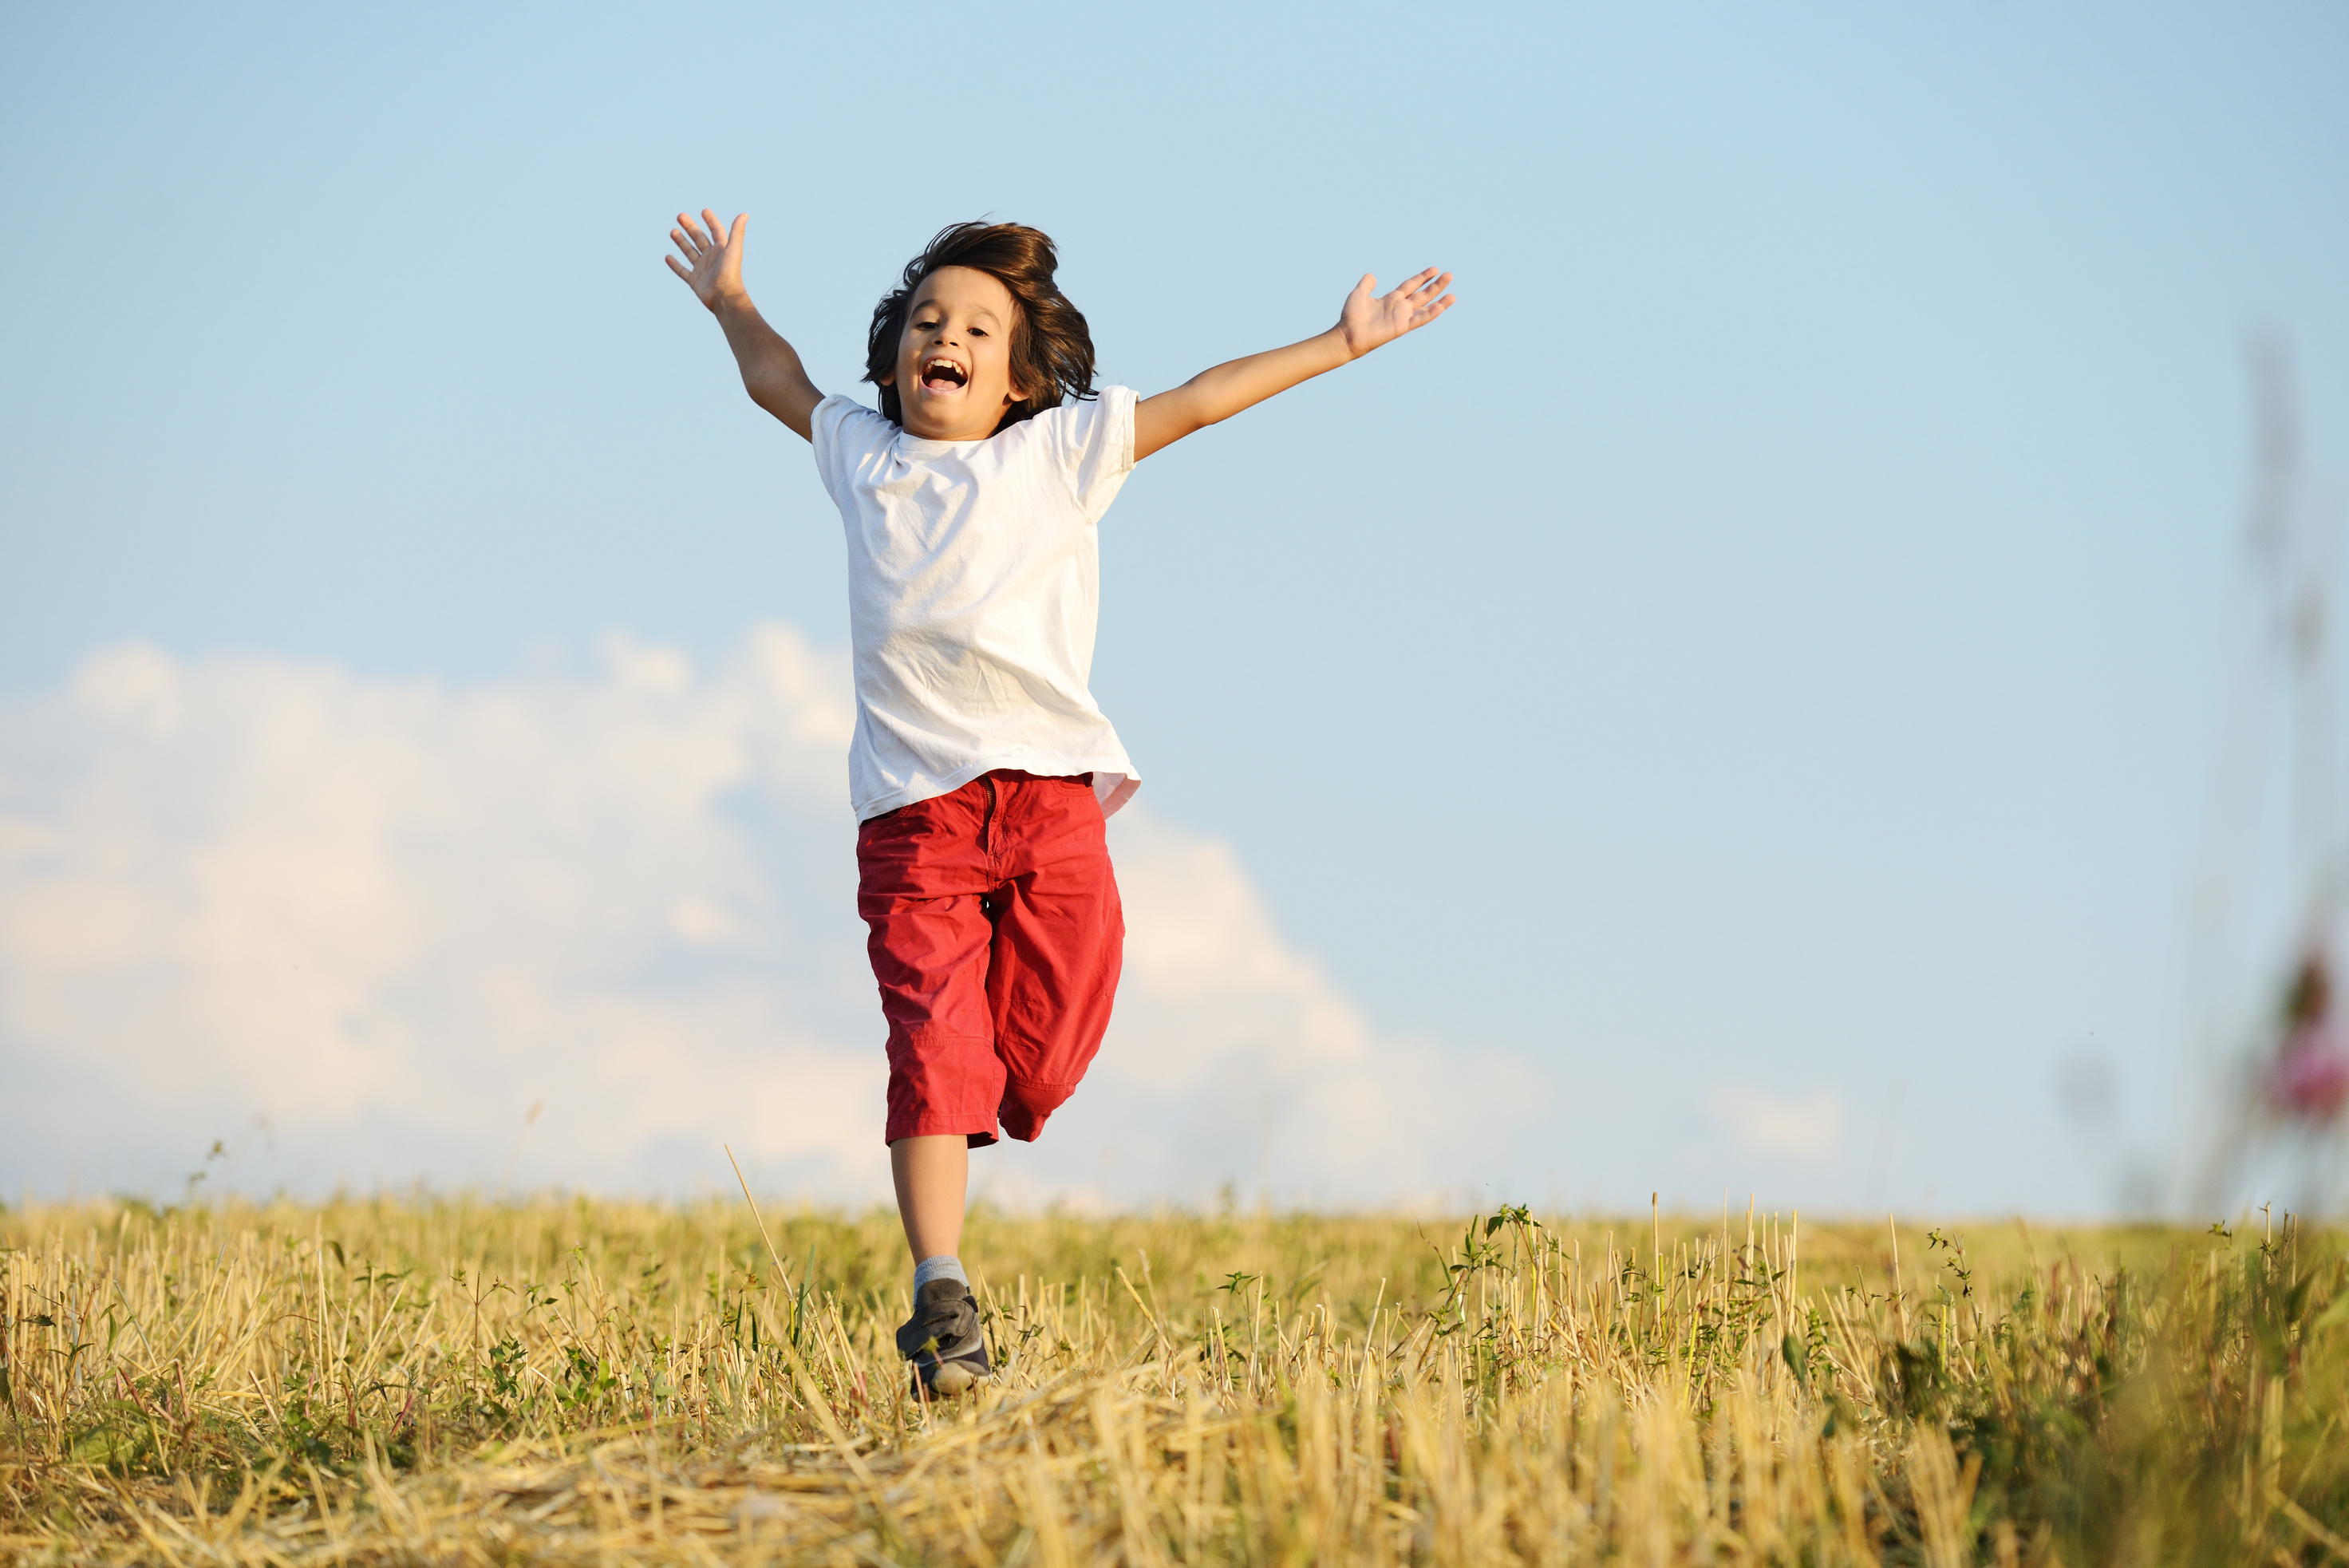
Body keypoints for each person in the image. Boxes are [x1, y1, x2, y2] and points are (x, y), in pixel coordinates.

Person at [666, 211, 1453, 1395]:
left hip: (1049, 807)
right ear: (893, 361)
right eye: (927, 321)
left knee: (1035, 1063)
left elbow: (1197, 399)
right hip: (914, 821)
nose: (947, 336)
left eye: (978, 327)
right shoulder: (863, 453)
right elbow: (777, 380)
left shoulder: (1060, 453)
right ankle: (943, 1290)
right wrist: (730, 299)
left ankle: (997, 1104)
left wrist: (1339, 344)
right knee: (933, 1052)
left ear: (1021, 377)